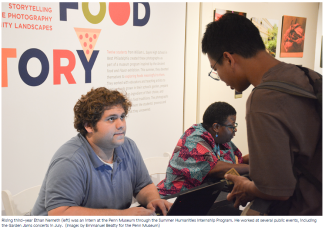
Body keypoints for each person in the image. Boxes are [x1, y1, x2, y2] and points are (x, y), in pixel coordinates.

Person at [201, 13, 322, 215]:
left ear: (228, 58)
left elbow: (276, 190)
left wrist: (244, 185)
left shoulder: (263, 99)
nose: (220, 77)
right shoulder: (309, 76)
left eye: (215, 69)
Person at [32, 87, 171, 216]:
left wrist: (152, 200)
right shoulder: (70, 160)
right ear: (89, 126)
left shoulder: (128, 146)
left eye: (122, 117)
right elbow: (60, 214)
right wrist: (122, 216)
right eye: (111, 119)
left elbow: (143, 185)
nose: (121, 124)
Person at [157, 102, 249, 196]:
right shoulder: (193, 139)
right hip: (175, 198)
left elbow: (236, 162)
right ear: (216, 127)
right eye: (231, 126)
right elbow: (215, 169)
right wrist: (253, 169)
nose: (235, 129)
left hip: (201, 197)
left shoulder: (219, 138)